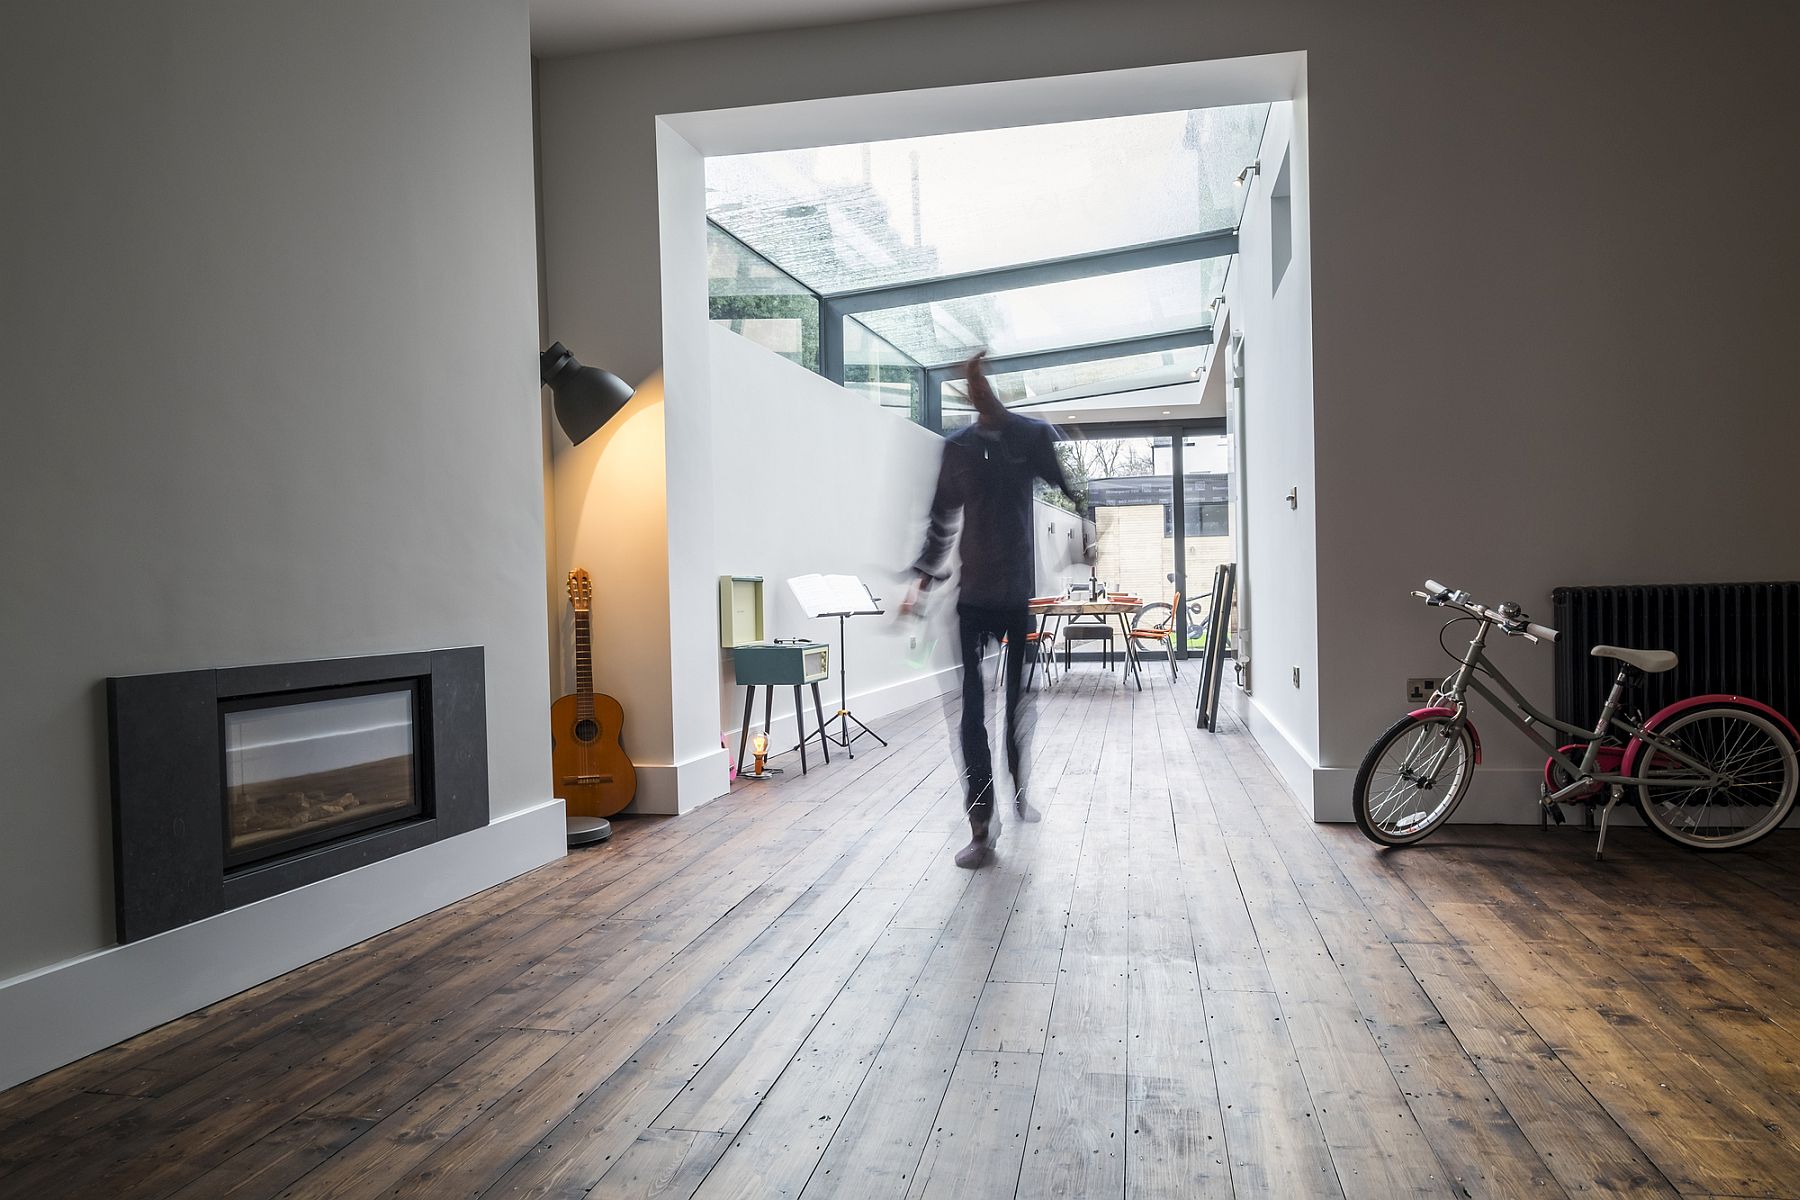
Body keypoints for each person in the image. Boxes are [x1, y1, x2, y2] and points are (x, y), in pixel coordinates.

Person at [903, 351, 1088, 868]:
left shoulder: (1027, 439)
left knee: (1017, 704)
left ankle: (1019, 783)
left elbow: (1069, 489)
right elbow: (941, 519)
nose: (975, 389)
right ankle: (981, 824)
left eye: (980, 382)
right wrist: (922, 579)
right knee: (970, 710)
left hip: (1015, 598)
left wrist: (1086, 534)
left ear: (990, 389)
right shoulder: (957, 449)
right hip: (973, 600)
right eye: (969, 383)